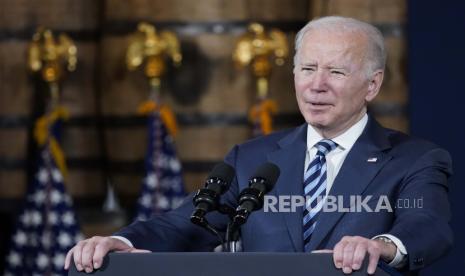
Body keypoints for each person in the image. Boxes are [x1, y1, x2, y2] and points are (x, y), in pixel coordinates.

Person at [65, 16, 452, 275]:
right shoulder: (253, 159)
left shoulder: (416, 160)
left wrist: (381, 246)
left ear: (373, 84)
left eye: (336, 71)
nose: (317, 85)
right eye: (307, 69)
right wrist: (120, 240)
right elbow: (188, 221)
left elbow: (427, 226)